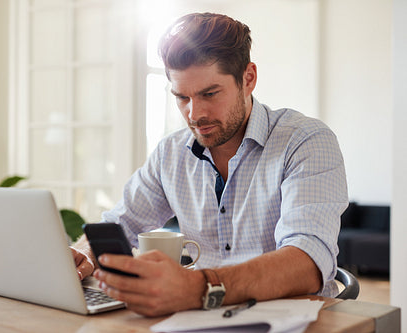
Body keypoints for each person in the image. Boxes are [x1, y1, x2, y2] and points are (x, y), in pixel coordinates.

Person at [71, 12, 348, 317]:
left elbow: (307, 262)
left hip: (291, 321)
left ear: (248, 79)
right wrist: (85, 252)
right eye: (182, 97)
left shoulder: (305, 141)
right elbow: (120, 224)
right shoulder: (170, 154)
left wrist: (195, 287)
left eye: (209, 93)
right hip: (199, 318)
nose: (194, 114)